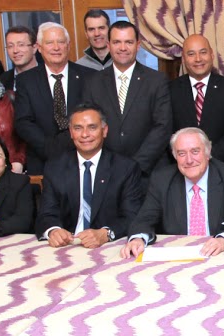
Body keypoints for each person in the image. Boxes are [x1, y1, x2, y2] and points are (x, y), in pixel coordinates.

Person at [120, 128, 224, 259]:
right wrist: (138, 238)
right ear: (175, 156)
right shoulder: (162, 180)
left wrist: (223, 240)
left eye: (195, 151)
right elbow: (144, 219)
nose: (189, 160)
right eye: (181, 153)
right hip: (177, 255)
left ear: (207, 152)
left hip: (219, 256)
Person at [37, 105, 145, 247]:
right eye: (78, 128)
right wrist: (53, 231)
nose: (85, 134)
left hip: (108, 246)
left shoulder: (125, 168)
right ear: (71, 132)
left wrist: (106, 233)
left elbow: (132, 216)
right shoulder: (55, 167)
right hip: (68, 245)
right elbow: (46, 213)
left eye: (92, 127)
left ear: (104, 131)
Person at [82, 21, 171, 174]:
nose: (123, 48)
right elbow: (90, 126)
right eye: (117, 42)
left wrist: (135, 166)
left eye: (129, 42)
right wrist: (112, 166)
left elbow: (162, 127)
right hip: (107, 171)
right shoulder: (93, 82)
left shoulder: (156, 81)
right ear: (109, 45)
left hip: (148, 172)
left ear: (138, 45)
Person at [12, 22, 92, 174]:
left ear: (68, 45)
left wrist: (70, 142)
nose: (56, 48)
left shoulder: (89, 77)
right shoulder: (26, 80)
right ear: (39, 47)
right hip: (42, 160)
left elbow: (93, 117)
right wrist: (48, 148)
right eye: (49, 43)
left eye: (61, 42)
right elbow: (23, 122)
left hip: (82, 158)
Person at [169, 34, 224, 164]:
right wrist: (188, 159)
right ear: (183, 59)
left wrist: (208, 158)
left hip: (223, 164)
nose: (198, 59)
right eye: (191, 54)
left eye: (203, 52)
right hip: (184, 165)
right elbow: (167, 131)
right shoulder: (171, 89)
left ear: (211, 55)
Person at [0, 26, 39, 90]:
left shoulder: (47, 75)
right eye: (10, 46)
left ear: (34, 48)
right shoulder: (2, 81)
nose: (15, 51)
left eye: (21, 45)